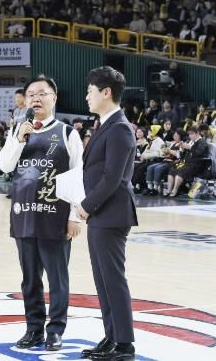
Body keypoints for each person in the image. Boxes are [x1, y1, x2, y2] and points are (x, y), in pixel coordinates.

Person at [0, 75, 83, 351]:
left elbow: (78, 175)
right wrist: (18, 139)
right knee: (30, 280)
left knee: (57, 279)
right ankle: (33, 329)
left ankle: (55, 330)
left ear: (53, 98)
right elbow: (5, 166)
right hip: (24, 215)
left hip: (55, 217)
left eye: (42, 93)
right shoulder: (18, 131)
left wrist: (74, 217)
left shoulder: (67, 132)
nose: (36, 98)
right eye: (31, 94)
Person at [75, 66, 137, 360]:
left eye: (90, 91)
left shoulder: (120, 128)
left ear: (106, 92)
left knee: (113, 279)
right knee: (102, 280)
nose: (87, 96)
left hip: (111, 213)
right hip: (101, 213)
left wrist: (86, 206)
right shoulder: (105, 125)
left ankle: (124, 345)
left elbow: (113, 178)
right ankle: (112, 337)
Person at [166, 126, 209, 196]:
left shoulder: (202, 142)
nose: (190, 136)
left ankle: (175, 190)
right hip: (186, 163)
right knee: (172, 169)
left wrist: (190, 147)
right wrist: (182, 149)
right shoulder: (190, 141)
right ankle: (169, 190)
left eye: (192, 134)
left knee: (181, 171)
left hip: (197, 164)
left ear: (197, 133)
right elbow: (182, 155)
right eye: (189, 134)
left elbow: (198, 153)